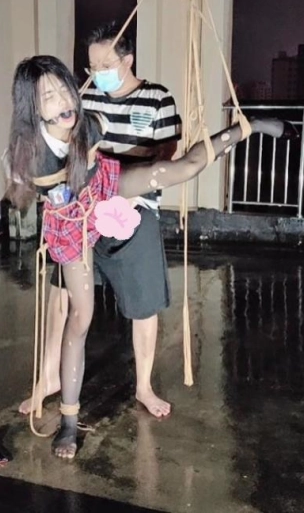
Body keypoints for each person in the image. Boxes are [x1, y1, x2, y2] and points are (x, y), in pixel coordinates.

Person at [5, 54, 290, 459]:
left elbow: (103, 152)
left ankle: (250, 126)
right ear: (32, 109)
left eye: (65, 89)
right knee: (80, 318)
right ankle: (69, 422)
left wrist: (115, 190)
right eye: (49, 97)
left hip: (103, 185)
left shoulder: (87, 122)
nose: (64, 101)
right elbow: (26, 192)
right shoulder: (32, 154)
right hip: (71, 225)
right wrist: (33, 186)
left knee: (181, 169)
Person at [18, 23, 182, 420]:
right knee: (62, 296)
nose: (97, 74)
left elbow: (167, 155)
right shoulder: (84, 98)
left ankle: (144, 386)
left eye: (106, 65)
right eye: (91, 66)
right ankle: (49, 377)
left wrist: (121, 177)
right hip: (81, 211)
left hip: (135, 209)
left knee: (143, 304)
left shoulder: (157, 98)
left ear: (128, 60)